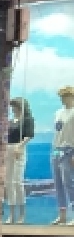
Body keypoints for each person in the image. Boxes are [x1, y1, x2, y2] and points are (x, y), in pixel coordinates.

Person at [6, 97, 35, 224]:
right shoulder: (11, 121)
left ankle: (22, 214)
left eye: (15, 106)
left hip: (19, 148)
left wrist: (20, 146)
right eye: (12, 107)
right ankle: (11, 214)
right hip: (8, 148)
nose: (13, 109)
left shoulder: (28, 120)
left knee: (17, 181)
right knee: (8, 182)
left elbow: (29, 135)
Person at [54, 86, 74, 226]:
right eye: (61, 96)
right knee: (58, 183)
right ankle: (62, 216)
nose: (62, 99)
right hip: (56, 149)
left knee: (69, 183)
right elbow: (57, 132)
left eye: (65, 96)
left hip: (69, 149)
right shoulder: (58, 112)